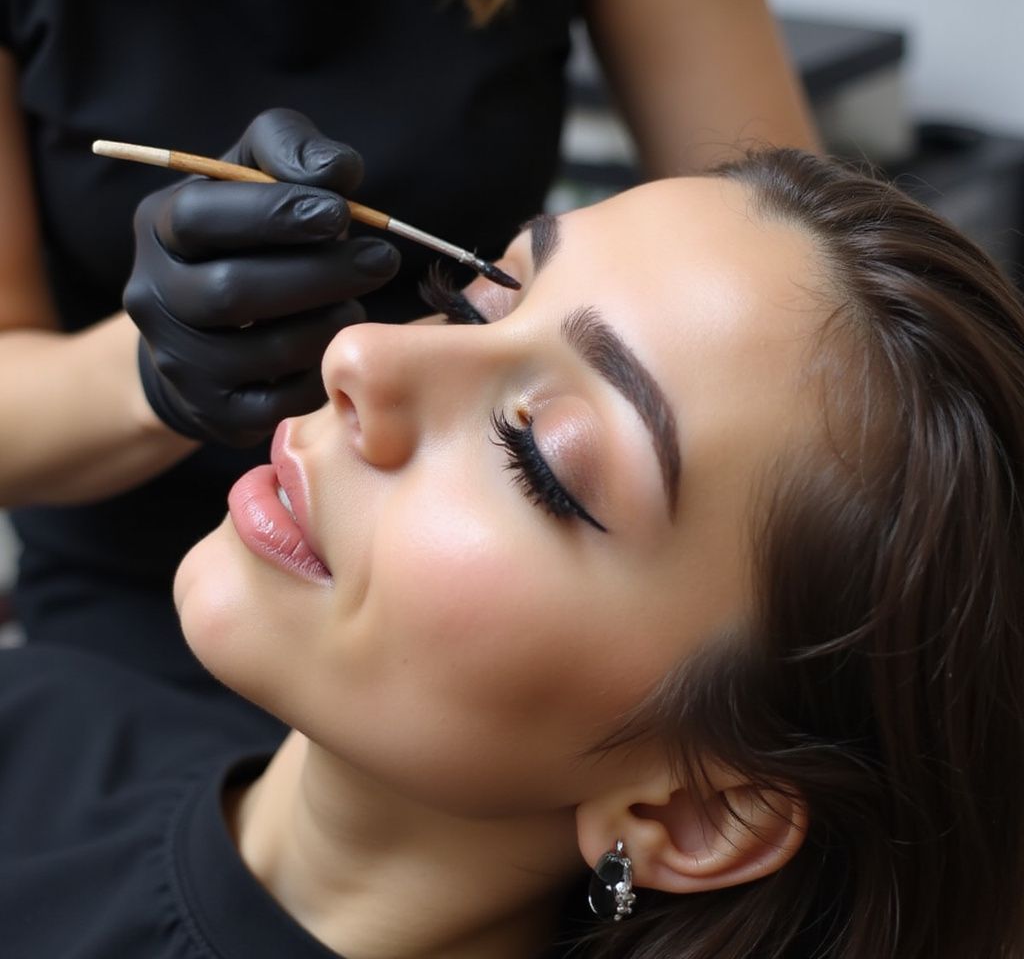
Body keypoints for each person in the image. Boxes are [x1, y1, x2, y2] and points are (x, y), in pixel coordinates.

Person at [2, 150, 1022, 958]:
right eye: (476, 302)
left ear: (699, 810)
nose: (362, 354)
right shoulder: (29, 722)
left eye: (537, 455)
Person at [0, 0, 818, 692]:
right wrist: (155, 375)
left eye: (545, 458)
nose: (355, 357)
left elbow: (805, 315)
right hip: (125, 606)